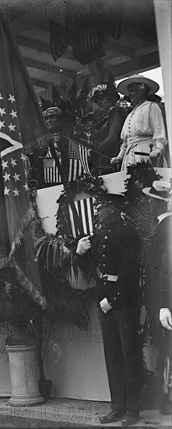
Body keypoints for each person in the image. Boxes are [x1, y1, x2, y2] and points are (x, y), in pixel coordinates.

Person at [76, 193, 142, 426]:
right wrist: (81, 253)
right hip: (105, 299)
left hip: (124, 301)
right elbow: (90, 269)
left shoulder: (128, 233)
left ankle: (133, 410)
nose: (95, 211)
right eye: (95, 207)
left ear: (112, 208)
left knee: (129, 355)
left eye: (100, 207)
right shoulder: (100, 235)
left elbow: (131, 271)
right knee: (112, 356)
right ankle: (118, 407)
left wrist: (112, 299)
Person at [143, 180, 172, 414]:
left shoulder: (168, 228)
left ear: (159, 204)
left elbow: (166, 268)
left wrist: (164, 305)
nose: (149, 204)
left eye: (152, 201)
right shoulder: (160, 227)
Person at [112, 74, 168, 169]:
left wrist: (158, 149)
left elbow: (159, 132)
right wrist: (120, 156)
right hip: (129, 157)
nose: (130, 94)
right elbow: (125, 142)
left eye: (132, 91)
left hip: (146, 152)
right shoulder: (130, 114)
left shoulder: (152, 107)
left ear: (142, 89)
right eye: (129, 92)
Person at [39, 106, 90, 186]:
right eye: (47, 118)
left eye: (52, 117)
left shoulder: (70, 136)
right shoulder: (44, 139)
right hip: (51, 177)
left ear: (59, 119)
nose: (49, 121)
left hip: (70, 176)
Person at [88, 82, 126, 173]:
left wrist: (95, 151)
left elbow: (112, 138)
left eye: (101, 99)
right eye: (97, 101)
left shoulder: (116, 113)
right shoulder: (102, 117)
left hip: (112, 157)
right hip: (101, 159)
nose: (99, 103)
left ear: (111, 99)